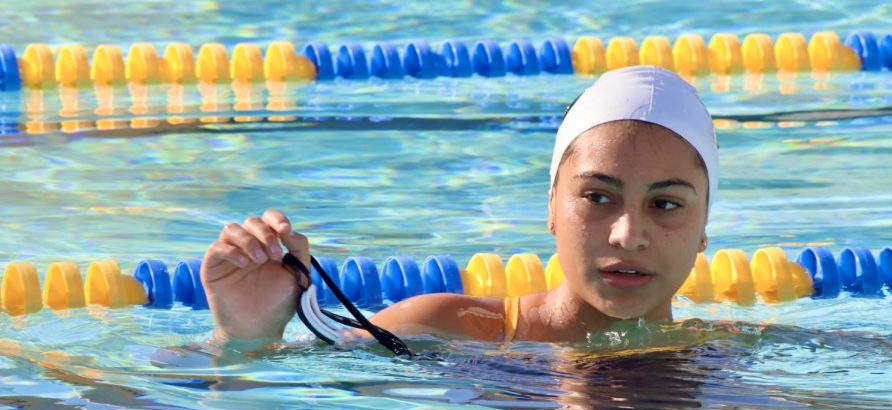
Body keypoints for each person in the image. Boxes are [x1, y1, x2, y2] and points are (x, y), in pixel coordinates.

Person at [202, 66, 718, 347]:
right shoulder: (438, 330)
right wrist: (245, 337)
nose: (628, 234)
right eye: (598, 196)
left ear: (703, 228)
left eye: (666, 203)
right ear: (553, 208)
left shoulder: (739, 361)